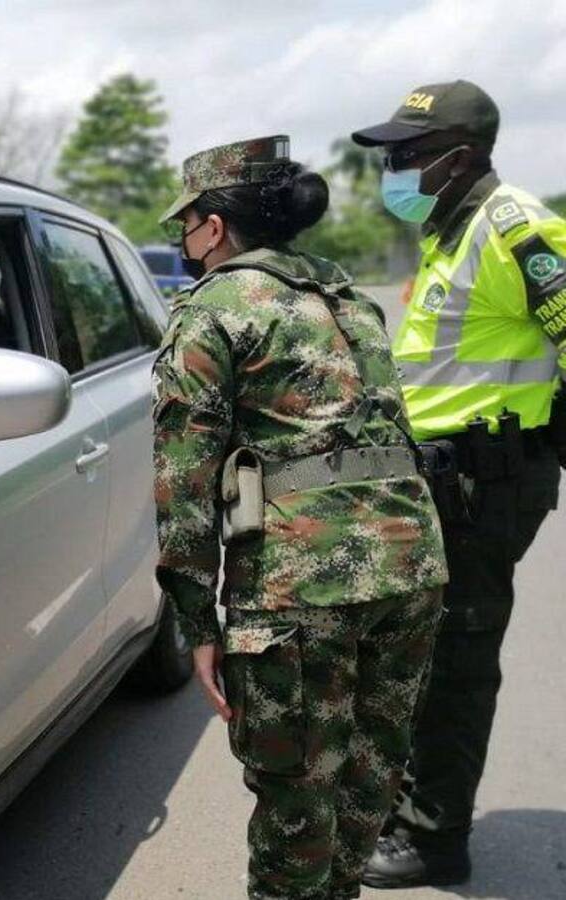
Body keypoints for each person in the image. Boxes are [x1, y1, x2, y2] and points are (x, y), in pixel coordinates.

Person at [153, 135, 448, 900]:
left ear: (214, 227)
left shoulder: (214, 309)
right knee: (367, 778)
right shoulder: (347, 297)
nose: (183, 240)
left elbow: (185, 482)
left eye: (185, 224)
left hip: (302, 584)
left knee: (297, 801)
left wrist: (198, 624)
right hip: (411, 566)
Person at [350, 80, 566, 889]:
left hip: (484, 484)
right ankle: (413, 806)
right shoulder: (452, 230)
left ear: (462, 156)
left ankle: (436, 837)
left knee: (456, 664)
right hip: (445, 480)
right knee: (422, 656)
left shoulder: (514, 229)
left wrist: (539, 443)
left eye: (409, 154)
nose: (395, 171)